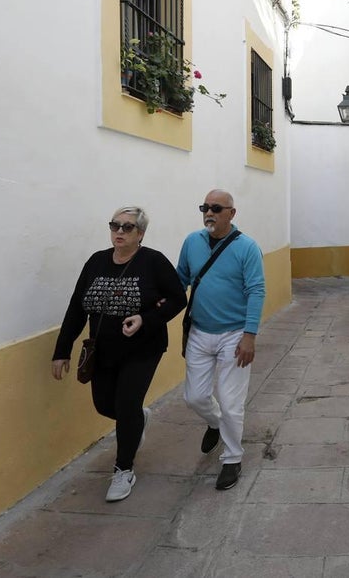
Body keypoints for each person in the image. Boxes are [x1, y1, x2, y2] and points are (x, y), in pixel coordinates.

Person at [51, 205, 187, 502]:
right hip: (103, 350)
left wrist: (146, 319)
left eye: (127, 227)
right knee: (104, 406)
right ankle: (137, 418)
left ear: (141, 234)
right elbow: (77, 307)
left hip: (143, 348)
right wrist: (61, 350)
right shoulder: (96, 262)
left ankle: (123, 469)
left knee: (126, 406)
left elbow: (178, 298)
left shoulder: (153, 262)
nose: (119, 232)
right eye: (115, 226)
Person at [177, 189, 265, 490]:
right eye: (205, 207)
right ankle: (214, 423)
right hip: (200, 332)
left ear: (232, 213)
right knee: (194, 397)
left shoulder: (247, 247)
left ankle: (232, 458)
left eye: (216, 208)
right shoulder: (192, 242)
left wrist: (249, 336)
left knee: (231, 401)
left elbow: (256, 291)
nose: (209, 213)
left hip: (234, 333)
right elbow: (181, 279)